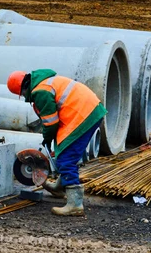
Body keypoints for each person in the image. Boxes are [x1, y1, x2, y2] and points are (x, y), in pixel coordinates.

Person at [7, 69, 107, 216]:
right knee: (65, 153)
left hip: (82, 114)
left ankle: (75, 204)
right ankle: (59, 188)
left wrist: (47, 139)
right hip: (89, 110)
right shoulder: (44, 82)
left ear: (21, 91)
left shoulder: (40, 92)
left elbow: (51, 122)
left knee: (67, 159)